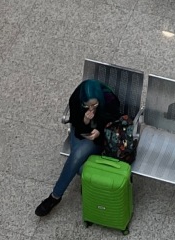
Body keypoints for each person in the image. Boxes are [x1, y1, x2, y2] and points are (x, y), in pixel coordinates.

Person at [35, 77, 122, 216]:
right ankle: (72, 188)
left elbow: (115, 119)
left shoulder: (109, 98)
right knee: (79, 163)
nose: (91, 108)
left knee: (78, 157)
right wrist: (85, 120)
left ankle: (55, 196)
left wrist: (99, 130)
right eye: (87, 106)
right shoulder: (76, 98)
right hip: (81, 132)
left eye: (95, 105)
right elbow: (76, 124)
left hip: (101, 137)